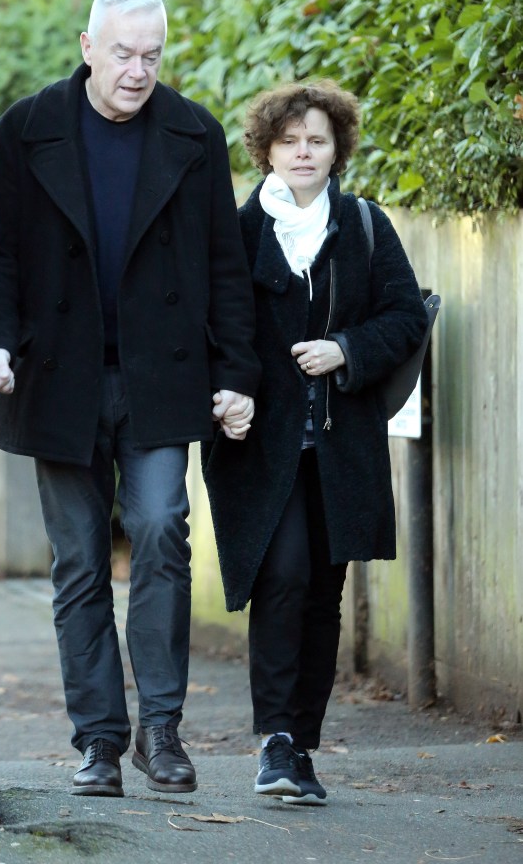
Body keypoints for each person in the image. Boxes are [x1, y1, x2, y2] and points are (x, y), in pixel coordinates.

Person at [0, 0, 260, 798]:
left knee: (163, 528)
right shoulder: (26, 130)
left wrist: (236, 374)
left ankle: (160, 730)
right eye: (122, 53)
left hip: (160, 378)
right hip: (57, 379)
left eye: (151, 55)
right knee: (81, 561)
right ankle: (97, 739)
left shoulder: (194, 133)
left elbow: (226, 268)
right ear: (88, 47)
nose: (137, 70)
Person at [202, 80, 428, 806]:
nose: (304, 152)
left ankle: (302, 746)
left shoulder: (364, 225)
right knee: (284, 575)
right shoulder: (236, 235)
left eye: (318, 141)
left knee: (324, 593)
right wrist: (223, 394)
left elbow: (404, 317)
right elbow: (206, 327)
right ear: (267, 149)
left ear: (337, 151)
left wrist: (344, 349)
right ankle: (273, 739)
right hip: (258, 446)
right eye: (290, 140)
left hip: (341, 444)